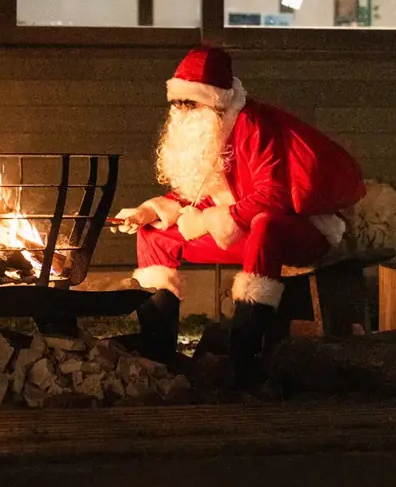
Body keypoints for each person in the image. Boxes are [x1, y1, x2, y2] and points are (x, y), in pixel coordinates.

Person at [113, 45, 365, 385]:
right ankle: (158, 355)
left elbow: (272, 195)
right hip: (240, 230)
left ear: (216, 100)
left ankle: (243, 358)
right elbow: (196, 189)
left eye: (191, 103)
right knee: (154, 235)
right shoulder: (208, 129)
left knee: (265, 225)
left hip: (300, 230)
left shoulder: (252, 124)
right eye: (178, 103)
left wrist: (204, 221)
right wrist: (148, 210)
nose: (182, 112)